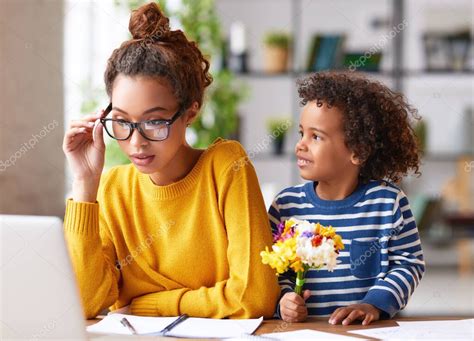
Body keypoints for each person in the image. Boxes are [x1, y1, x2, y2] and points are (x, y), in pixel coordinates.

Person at [62, 2, 279, 319]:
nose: (136, 142)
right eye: (121, 121)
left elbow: (254, 296)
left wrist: (155, 304)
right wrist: (84, 184)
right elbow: (84, 304)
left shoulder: (225, 166)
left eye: (154, 122)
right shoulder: (111, 188)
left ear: (190, 111)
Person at [270, 71, 425, 325]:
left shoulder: (388, 203)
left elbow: (409, 264)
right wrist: (283, 300)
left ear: (357, 151)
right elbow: (272, 271)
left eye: (316, 136)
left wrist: (373, 304)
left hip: (366, 333)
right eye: (301, 134)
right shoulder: (285, 206)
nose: (300, 145)